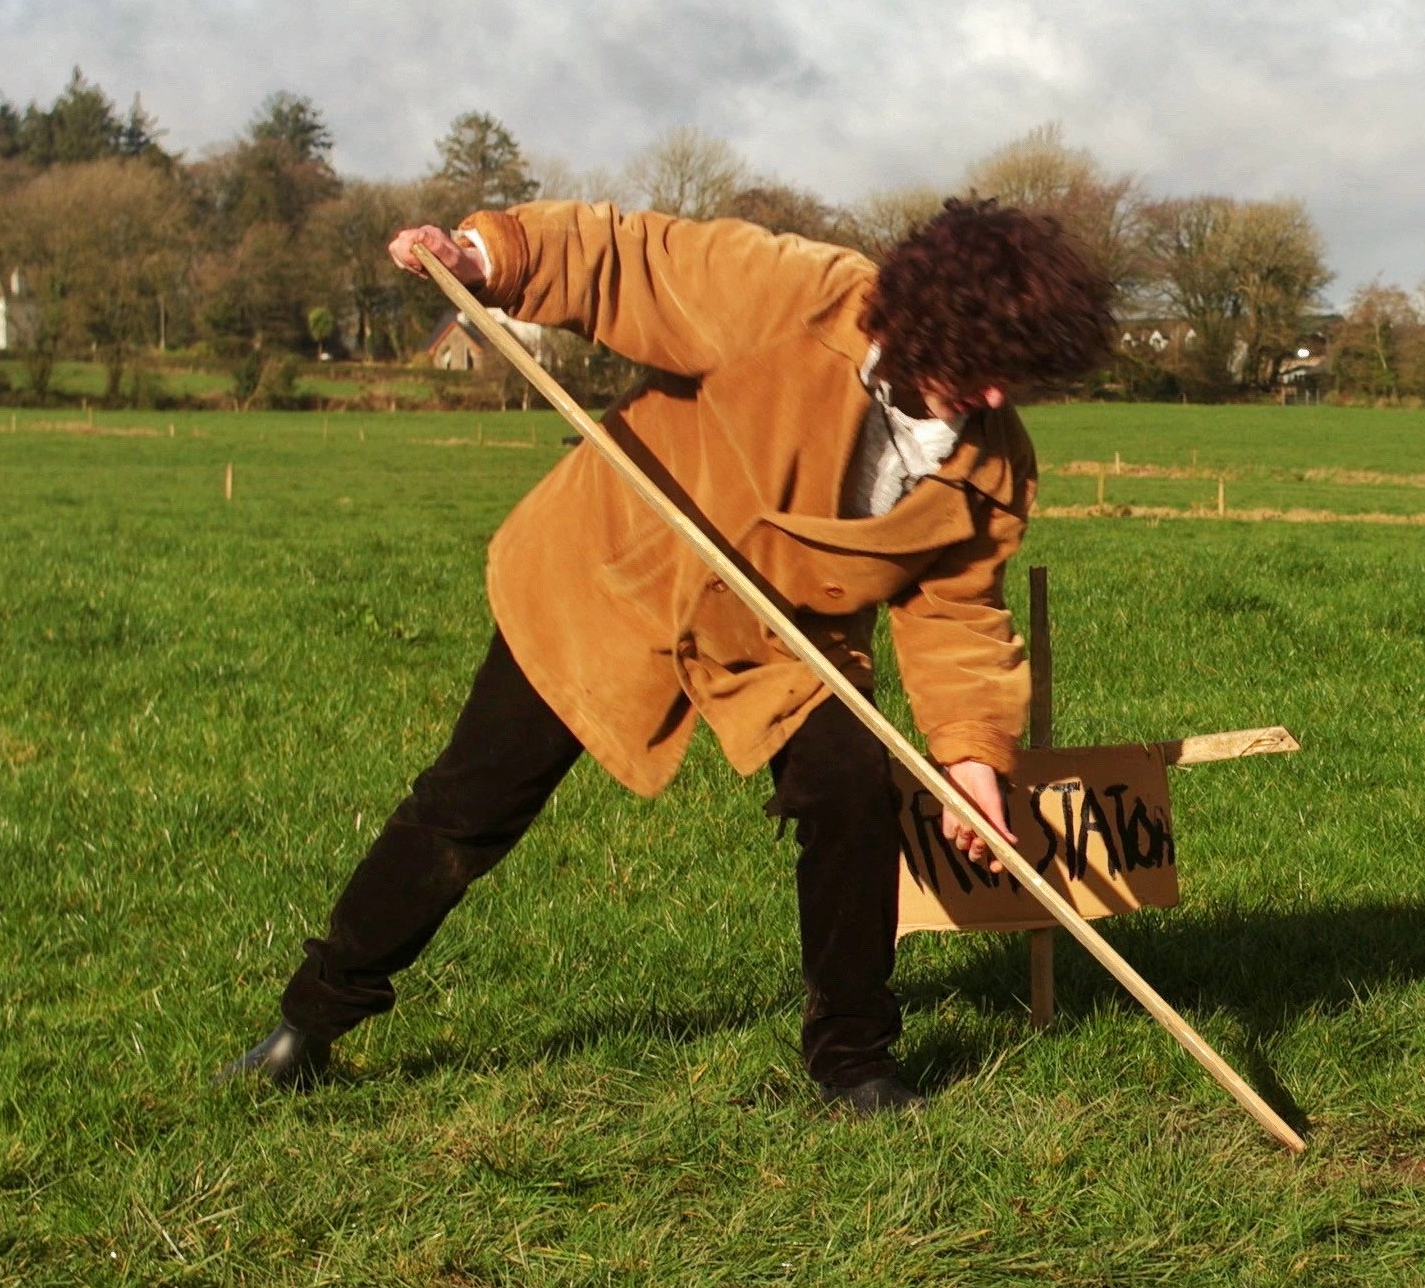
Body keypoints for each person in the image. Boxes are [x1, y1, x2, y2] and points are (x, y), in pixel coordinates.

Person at [227, 196, 1113, 1111]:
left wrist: (972, 755)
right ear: (933, 313)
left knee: (853, 794)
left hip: (783, 639)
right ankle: (311, 1021)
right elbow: (628, 257)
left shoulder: (991, 462)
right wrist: (488, 255)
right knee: (471, 805)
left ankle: (855, 1060)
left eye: (1024, 374)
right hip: (617, 575)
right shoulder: (795, 295)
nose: (1002, 394)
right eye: (989, 362)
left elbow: (958, 611)